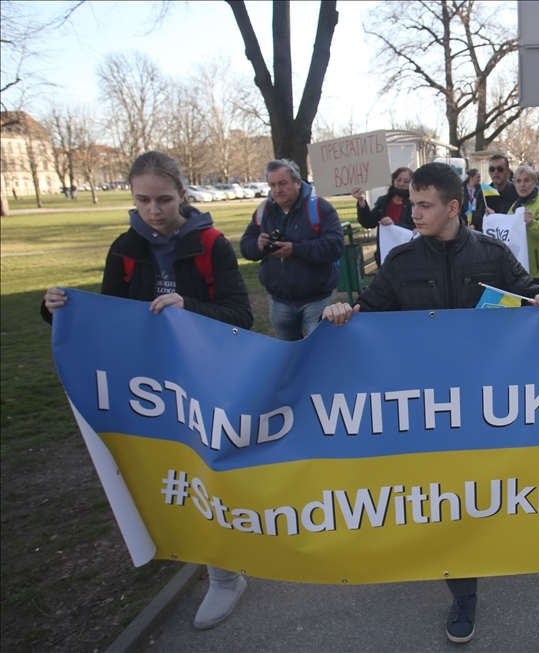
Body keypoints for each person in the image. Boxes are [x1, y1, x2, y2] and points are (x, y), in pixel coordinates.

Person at [321, 162, 539, 644]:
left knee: (480, 494)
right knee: (445, 499)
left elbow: (527, 293)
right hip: (429, 409)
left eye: (423, 205)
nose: (413, 212)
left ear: (452, 207)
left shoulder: (494, 255)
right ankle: (463, 590)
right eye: (412, 203)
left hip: (485, 403)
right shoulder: (401, 262)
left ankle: (490, 558)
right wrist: (342, 313)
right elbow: (367, 314)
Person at [41, 151, 254, 630]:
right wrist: (57, 308)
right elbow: (108, 317)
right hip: (149, 384)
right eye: (142, 200)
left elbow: (241, 315)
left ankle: (225, 575)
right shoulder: (124, 246)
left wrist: (188, 308)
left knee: (208, 469)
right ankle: (196, 552)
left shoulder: (211, 243)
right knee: (170, 471)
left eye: (163, 199)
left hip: (203, 379)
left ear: (182, 194)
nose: (153, 210)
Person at [240, 158, 345, 341]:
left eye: (282, 183)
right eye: (272, 185)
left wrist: (296, 249)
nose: (277, 190)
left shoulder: (319, 207)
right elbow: (245, 246)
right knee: (288, 356)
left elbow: (335, 246)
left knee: (319, 352)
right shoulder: (264, 210)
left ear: (298, 183)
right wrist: (258, 245)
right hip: (279, 301)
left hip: (316, 300)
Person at [508, 165, 539, 292]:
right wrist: (493, 218)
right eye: (518, 181)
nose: (522, 185)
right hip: (521, 271)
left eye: (526, 180)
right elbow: (506, 231)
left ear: (535, 183)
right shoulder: (515, 206)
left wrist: (531, 223)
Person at [352, 167, 414, 266]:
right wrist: (361, 201)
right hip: (385, 256)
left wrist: (394, 225)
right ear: (393, 180)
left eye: (407, 181)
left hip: (407, 256)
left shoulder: (414, 204)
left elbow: (416, 229)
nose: (401, 184)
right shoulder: (384, 201)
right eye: (398, 180)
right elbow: (368, 222)